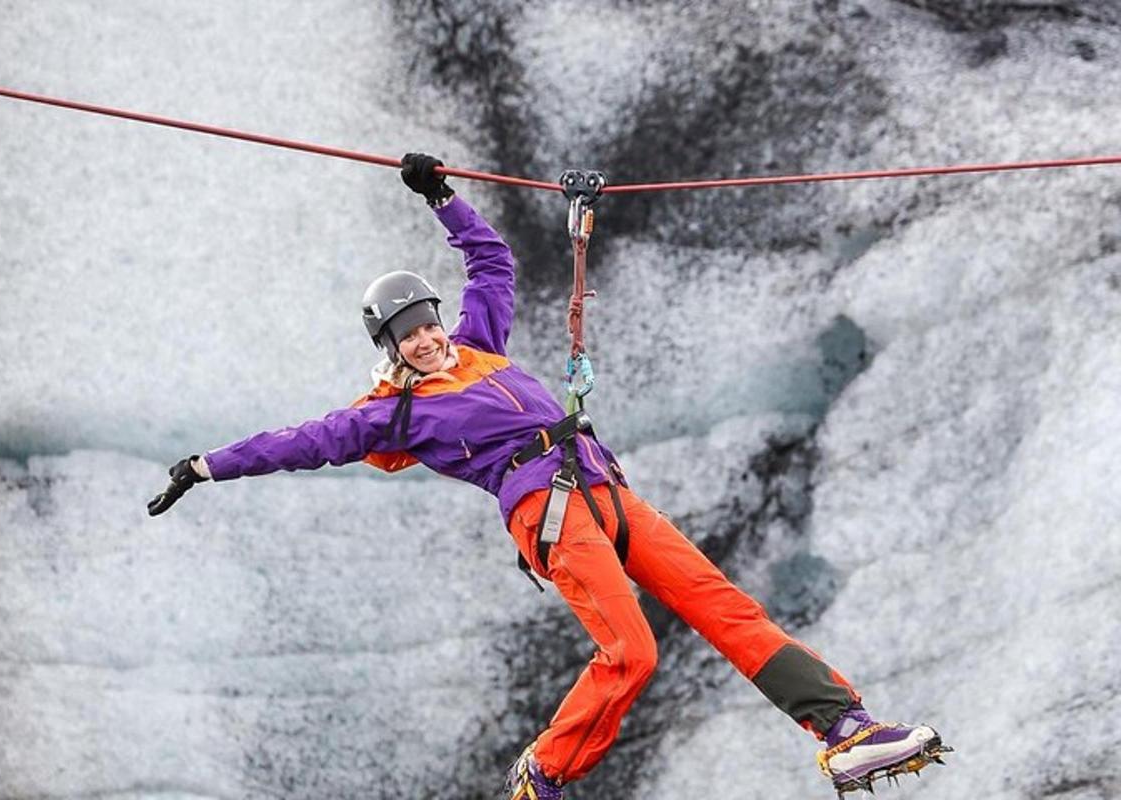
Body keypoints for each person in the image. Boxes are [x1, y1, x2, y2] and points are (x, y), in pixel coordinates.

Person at [148, 153, 947, 798]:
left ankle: (846, 732)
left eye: (426, 324)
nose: (425, 340)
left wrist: (443, 198)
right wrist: (204, 466)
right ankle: (540, 779)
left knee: (724, 607)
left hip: (607, 490)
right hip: (549, 512)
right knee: (631, 653)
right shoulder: (392, 414)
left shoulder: (482, 343)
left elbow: (489, 260)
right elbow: (299, 441)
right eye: (407, 337)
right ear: (389, 350)